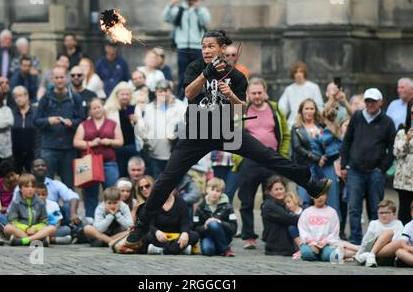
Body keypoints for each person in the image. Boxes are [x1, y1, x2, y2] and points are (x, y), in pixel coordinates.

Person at [125, 30, 331, 248]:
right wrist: (206, 73)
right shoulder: (195, 67)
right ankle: (142, 223)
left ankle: (310, 184)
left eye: (211, 46)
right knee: (167, 178)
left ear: (222, 49)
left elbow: (241, 108)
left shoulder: (237, 76)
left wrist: (231, 95)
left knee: (268, 156)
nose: (206, 50)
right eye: (203, 46)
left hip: (225, 131)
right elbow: (189, 93)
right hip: (196, 132)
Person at [238, 77, 290, 248]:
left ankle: (271, 235)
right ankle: (248, 237)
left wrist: (281, 156)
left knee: (272, 200)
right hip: (250, 161)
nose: (257, 96)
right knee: (246, 201)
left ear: (265, 91)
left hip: (271, 160)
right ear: (248, 94)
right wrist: (238, 160)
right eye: (253, 93)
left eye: (260, 92)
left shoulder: (275, 109)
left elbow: (286, 134)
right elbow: (232, 134)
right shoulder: (242, 109)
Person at [340, 88, 397, 245]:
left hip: (375, 172)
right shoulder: (357, 117)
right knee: (354, 209)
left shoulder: (387, 122)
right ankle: (355, 241)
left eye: (373, 101)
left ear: (381, 102)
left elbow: (393, 147)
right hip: (355, 171)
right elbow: (347, 141)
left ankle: (373, 243)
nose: (370, 104)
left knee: (375, 209)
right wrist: (344, 164)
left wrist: (383, 168)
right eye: (367, 101)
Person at [34, 66, 84, 188]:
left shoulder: (75, 98)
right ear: (52, 79)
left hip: (68, 148)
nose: (59, 80)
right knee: (47, 184)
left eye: (61, 77)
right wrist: (48, 121)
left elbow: (82, 119)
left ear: (66, 78)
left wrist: (72, 123)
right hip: (49, 147)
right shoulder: (46, 98)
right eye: (56, 77)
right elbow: (36, 120)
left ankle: (67, 208)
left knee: (69, 185)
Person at [74, 98, 124, 218]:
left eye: (99, 107)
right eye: (94, 108)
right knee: (90, 195)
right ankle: (91, 220)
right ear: (90, 111)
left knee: (112, 193)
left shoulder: (112, 124)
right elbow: (76, 142)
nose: (97, 110)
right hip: (90, 165)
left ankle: (112, 219)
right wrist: (91, 143)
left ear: (103, 107)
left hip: (109, 163)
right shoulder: (84, 125)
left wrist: (110, 141)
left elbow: (120, 141)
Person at [162, 0, 211, 99]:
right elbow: (165, 18)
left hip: (197, 48)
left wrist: (197, 8)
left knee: (199, 74)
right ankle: (181, 97)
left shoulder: (200, 10)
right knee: (183, 75)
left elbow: (206, 21)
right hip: (182, 47)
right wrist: (172, 3)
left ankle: (200, 97)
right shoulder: (179, 10)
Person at [135, 80, 186, 179]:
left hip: (174, 155)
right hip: (154, 155)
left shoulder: (180, 106)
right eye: (160, 91)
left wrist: (176, 135)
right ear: (156, 93)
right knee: (155, 183)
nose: (163, 93)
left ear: (170, 91)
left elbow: (186, 125)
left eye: (165, 90)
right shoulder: (149, 108)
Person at [290, 99, 324, 208]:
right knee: (304, 200)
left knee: (322, 199)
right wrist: (317, 158)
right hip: (304, 167)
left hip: (321, 167)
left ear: (315, 111)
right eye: (306, 108)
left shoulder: (321, 126)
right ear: (301, 111)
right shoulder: (296, 128)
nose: (309, 111)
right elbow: (297, 148)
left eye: (311, 108)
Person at [5, 174, 56, 246]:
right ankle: (37, 241)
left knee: (52, 228)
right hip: (22, 231)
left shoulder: (40, 203)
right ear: (20, 188)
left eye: (33, 186)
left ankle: (25, 241)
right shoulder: (16, 202)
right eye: (27, 186)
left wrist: (34, 228)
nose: (30, 189)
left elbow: (44, 222)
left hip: (36, 231)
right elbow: (13, 221)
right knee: (8, 228)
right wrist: (26, 229)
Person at [145, 190, 199, 255]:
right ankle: (179, 249)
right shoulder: (153, 202)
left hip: (177, 236)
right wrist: (157, 232)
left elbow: (185, 223)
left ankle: (160, 250)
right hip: (160, 236)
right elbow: (150, 223)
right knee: (145, 235)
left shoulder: (181, 202)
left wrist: (184, 233)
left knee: (194, 235)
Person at [194, 177, 237, 257]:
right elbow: (195, 227)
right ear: (207, 190)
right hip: (207, 236)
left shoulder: (228, 207)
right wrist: (205, 226)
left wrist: (220, 222)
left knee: (213, 224)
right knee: (208, 251)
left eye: (218, 191)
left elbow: (234, 228)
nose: (214, 193)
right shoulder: (200, 207)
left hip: (224, 236)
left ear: (221, 193)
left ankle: (225, 249)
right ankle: (220, 249)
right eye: (212, 189)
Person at [354, 200, 404, 267]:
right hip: (372, 246)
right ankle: (371, 254)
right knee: (389, 233)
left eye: (387, 213)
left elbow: (397, 240)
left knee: (400, 242)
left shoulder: (398, 223)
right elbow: (366, 240)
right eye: (381, 213)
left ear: (394, 214)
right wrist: (359, 253)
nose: (383, 215)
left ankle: (369, 255)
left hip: (388, 252)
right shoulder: (374, 223)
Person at [105, 82, 139, 177]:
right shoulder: (109, 109)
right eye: (122, 94)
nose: (125, 97)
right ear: (117, 95)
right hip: (117, 148)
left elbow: (143, 130)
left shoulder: (134, 108)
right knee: (120, 174)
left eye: (127, 94)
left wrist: (137, 122)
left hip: (133, 146)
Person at [261, 176, 300, 256]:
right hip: (277, 249)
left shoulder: (284, 204)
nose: (279, 192)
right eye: (276, 189)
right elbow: (289, 219)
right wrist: (308, 218)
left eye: (281, 189)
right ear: (270, 192)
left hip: (286, 247)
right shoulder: (269, 205)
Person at [278, 61, 324, 128]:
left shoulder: (314, 87)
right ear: (293, 74)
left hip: (311, 124)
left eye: (301, 72)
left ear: (304, 73)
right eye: (296, 72)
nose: (299, 74)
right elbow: (282, 107)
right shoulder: (289, 89)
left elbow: (319, 106)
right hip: (293, 124)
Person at [298, 193, 341, 262]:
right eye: (317, 194)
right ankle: (316, 254)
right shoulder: (306, 212)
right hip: (310, 244)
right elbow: (303, 230)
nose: (320, 197)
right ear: (312, 196)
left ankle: (321, 254)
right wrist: (312, 243)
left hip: (327, 244)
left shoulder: (332, 212)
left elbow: (335, 232)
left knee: (328, 255)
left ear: (326, 196)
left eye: (322, 195)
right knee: (306, 253)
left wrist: (324, 242)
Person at [393, 99, 413, 225]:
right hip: (404, 181)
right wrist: (407, 139)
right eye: (412, 113)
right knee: (405, 212)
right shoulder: (402, 131)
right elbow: (397, 153)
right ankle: (403, 239)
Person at [11, 86, 39, 173]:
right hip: (16, 153)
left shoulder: (36, 111)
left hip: (34, 152)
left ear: (27, 96)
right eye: (16, 97)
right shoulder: (12, 112)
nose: (19, 99)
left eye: (21, 95)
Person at [0, 160, 19, 226]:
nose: (11, 179)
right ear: (3, 177)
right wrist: (2, 208)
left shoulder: (21, 180)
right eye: (8, 177)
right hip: (4, 213)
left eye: (12, 175)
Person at [394, 202, 413, 267]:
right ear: (412, 213)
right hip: (411, 251)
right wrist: (410, 249)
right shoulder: (408, 226)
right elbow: (403, 243)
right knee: (399, 252)